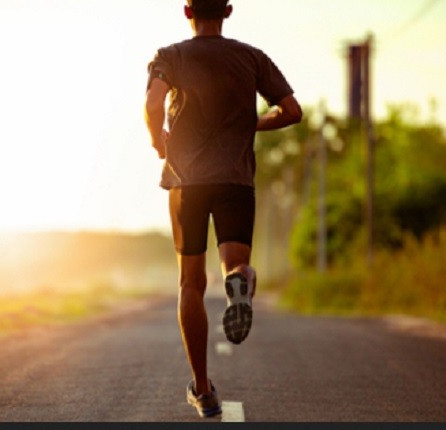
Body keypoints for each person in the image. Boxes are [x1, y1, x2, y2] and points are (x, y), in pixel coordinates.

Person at [143, 0, 302, 418]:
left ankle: (202, 388)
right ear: (228, 11)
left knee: (190, 283)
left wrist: (159, 144)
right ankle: (241, 281)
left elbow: (154, 105)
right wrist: (254, 123)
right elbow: (291, 112)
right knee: (234, 265)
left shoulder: (170, 57)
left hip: (186, 183)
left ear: (187, 11)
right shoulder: (251, 58)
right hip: (234, 180)